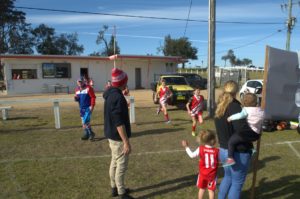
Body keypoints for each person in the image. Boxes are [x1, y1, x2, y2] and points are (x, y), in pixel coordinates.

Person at [214, 80, 254, 199]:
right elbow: (241, 131)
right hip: (237, 152)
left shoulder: (220, 106)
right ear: (236, 91)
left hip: (224, 150)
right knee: (236, 183)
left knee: (228, 177)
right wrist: (254, 134)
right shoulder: (235, 107)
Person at [103, 67, 134, 199]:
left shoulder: (110, 93)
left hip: (111, 135)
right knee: (121, 165)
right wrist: (126, 142)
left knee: (114, 162)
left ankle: (114, 187)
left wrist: (122, 94)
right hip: (118, 137)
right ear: (122, 82)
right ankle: (121, 193)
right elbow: (119, 122)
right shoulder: (117, 98)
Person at [224, 93, 264, 166]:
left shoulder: (246, 110)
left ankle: (230, 158)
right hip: (257, 134)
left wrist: (230, 118)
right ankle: (252, 149)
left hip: (248, 132)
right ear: (256, 102)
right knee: (245, 138)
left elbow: (240, 115)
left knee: (231, 141)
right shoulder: (261, 110)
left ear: (244, 102)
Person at [181, 130, 219, 199]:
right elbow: (222, 160)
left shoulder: (201, 149)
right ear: (213, 139)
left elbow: (192, 155)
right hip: (212, 175)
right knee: (211, 191)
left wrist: (186, 147)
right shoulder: (217, 151)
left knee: (202, 189)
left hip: (203, 175)